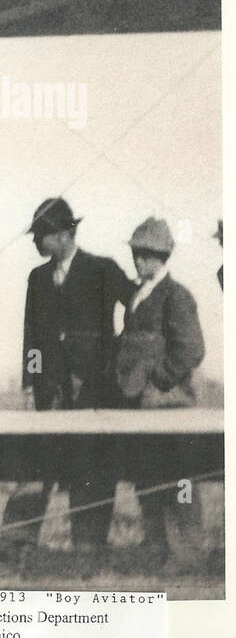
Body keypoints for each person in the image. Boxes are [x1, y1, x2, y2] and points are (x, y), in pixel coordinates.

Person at [4, 196, 135, 557]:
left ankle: (89, 545)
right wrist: (30, 384)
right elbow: (31, 335)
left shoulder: (102, 269)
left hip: (95, 390)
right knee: (36, 461)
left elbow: (137, 306)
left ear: (63, 234)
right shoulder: (37, 278)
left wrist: (117, 352)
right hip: (50, 391)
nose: (35, 242)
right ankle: (16, 542)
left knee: (92, 463)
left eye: (41, 235)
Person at [113, 218, 206, 571]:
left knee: (180, 481)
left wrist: (159, 381)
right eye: (136, 253)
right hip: (141, 408)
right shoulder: (138, 296)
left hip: (171, 407)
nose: (138, 260)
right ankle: (156, 549)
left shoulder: (177, 296)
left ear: (163, 255)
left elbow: (192, 350)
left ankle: (187, 554)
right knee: (148, 479)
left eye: (146, 254)